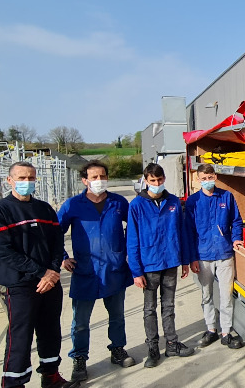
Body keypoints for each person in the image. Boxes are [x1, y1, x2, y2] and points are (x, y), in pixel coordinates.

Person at [0, 162, 78, 388]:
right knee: (20, 336)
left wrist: (52, 271)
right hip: (22, 285)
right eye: (22, 178)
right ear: (10, 180)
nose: (27, 182)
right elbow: (2, 251)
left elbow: (57, 243)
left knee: (50, 331)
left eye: (31, 178)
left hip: (50, 283)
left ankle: (51, 375)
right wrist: (41, 271)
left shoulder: (44, 209)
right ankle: (14, 383)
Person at [57, 160, 136, 381]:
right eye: (94, 177)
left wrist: (127, 251)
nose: (99, 180)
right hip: (85, 270)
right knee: (81, 321)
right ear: (85, 180)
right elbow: (54, 232)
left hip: (114, 268)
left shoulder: (118, 202)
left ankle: (117, 349)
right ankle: (79, 357)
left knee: (117, 316)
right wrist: (63, 258)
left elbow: (134, 227)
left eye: (102, 176)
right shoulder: (73, 205)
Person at [127, 163, 195, 368]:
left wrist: (185, 261)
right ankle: (153, 347)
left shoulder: (173, 201)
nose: (156, 183)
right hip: (149, 265)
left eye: (159, 179)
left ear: (164, 178)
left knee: (169, 305)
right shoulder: (137, 205)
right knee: (150, 308)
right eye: (152, 180)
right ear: (145, 181)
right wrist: (136, 271)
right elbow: (132, 239)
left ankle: (172, 343)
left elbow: (181, 232)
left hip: (171, 261)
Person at [185, 164, 245, 349]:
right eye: (203, 178)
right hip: (203, 255)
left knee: (226, 296)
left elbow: (236, 221)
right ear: (198, 180)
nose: (207, 181)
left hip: (224, 253)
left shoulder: (226, 197)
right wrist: (192, 258)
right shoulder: (193, 201)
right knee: (206, 295)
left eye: (210, 177)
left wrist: (236, 238)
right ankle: (211, 329)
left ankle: (226, 332)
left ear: (215, 177)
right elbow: (188, 231)